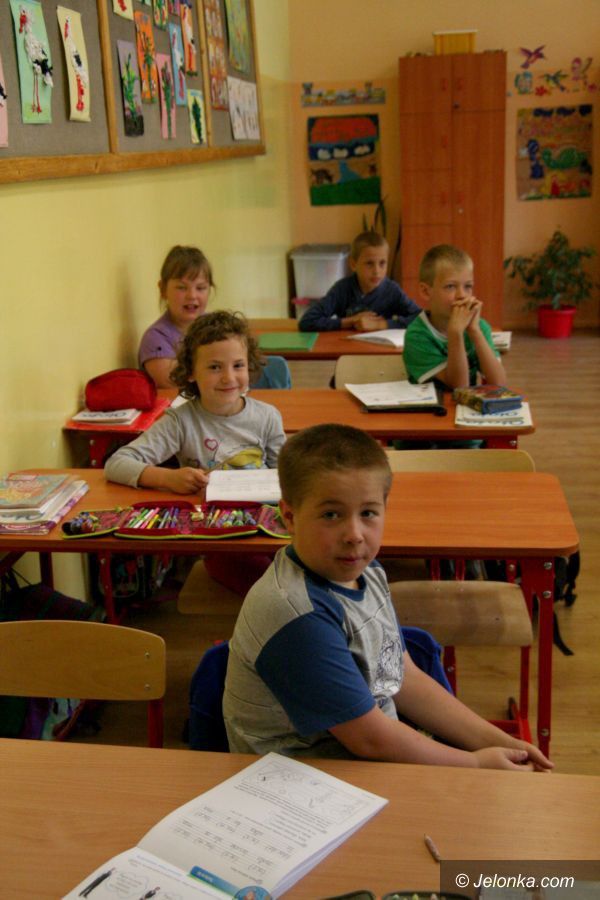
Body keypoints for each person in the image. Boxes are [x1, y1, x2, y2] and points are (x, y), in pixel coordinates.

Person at [223, 424, 553, 772]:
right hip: (300, 781)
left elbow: (399, 677)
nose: (354, 535)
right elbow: (370, 739)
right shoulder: (297, 614)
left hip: (367, 759)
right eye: (331, 515)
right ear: (290, 516)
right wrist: (475, 763)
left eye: (367, 513)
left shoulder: (365, 572)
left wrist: (497, 742)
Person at [106, 311, 286, 594]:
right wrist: (169, 478)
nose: (229, 377)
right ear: (191, 372)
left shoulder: (267, 417)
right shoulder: (181, 421)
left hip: (269, 529)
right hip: (219, 540)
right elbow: (117, 463)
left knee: (304, 569)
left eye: (238, 365)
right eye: (214, 367)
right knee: (273, 587)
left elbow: (288, 476)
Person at [404, 244, 506, 388]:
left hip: (465, 403)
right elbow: (459, 386)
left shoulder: (478, 327)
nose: (462, 295)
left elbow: (499, 383)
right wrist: (455, 333)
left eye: (468, 286)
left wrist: (475, 332)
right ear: (426, 292)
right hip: (432, 402)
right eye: (450, 286)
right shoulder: (417, 336)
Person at [298, 231, 421, 333]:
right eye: (369, 263)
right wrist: (351, 321)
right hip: (346, 349)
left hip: (380, 350)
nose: (377, 271)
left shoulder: (392, 291)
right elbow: (307, 321)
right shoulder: (341, 289)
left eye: (382, 263)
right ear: (353, 264)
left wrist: (380, 325)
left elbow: (420, 318)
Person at [138, 245, 215, 389]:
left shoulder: (217, 326)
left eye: (200, 288)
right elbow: (174, 382)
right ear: (163, 290)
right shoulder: (155, 337)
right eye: (181, 287)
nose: (192, 295)